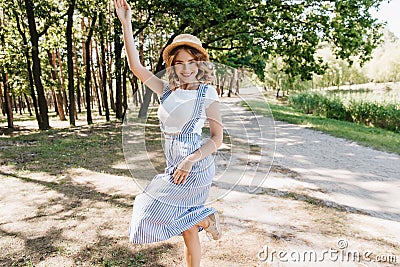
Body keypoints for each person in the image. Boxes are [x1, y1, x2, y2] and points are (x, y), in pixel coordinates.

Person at [114, 0, 223, 266]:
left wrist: (190, 160)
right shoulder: (166, 89)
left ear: (200, 64)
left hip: (195, 165)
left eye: (192, 62)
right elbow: (136, 67)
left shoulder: (206, 93)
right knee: (186, 227)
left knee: (148, 208)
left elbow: (216, 139)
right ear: (172, 65)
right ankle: (206, 220)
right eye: (180, 62)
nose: (186, 68)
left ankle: (205, 219)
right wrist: (126, 24)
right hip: (173, 165)